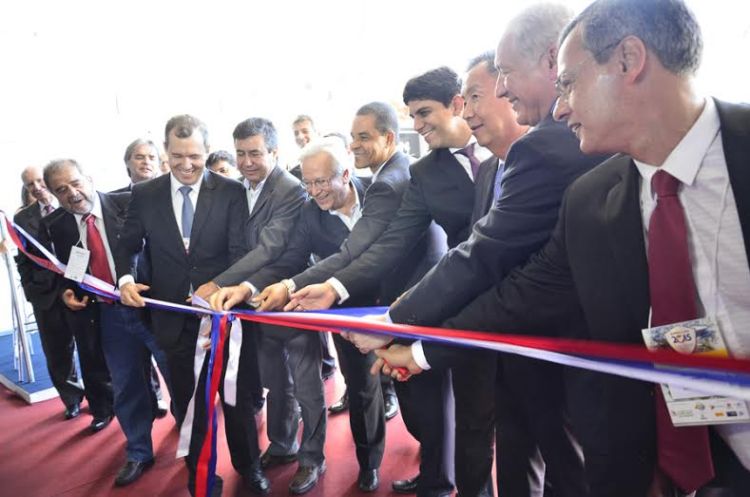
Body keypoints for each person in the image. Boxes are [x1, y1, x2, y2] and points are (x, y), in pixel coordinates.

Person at [379, 0, 750, 496]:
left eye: (569, 84)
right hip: (671, 461)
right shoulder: (592, 199)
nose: (558, 109)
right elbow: (522, 296)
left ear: (629, 60)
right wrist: (420, 350)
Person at [290, 66, 491, 497]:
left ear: (458, 104)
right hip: (450, 305)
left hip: (509, 305)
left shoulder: (502, 151)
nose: (416, 125)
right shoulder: (425, 173)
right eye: (411, 116)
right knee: (465, 419)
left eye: (423, 113)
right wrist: (335, 288)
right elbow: (390, 243)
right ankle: (443, 479)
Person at [115, 115, 267, 496]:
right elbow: (127, 245)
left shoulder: (231, 191)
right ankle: (201, 474)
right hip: (172, 320)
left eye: (195, 156)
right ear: (165, 152)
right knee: (188, 405)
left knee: (236, 399)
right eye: (178, 156)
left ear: (207, 150)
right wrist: (125, 279)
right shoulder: (146, 194)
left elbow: (240, 252)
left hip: (224, 318)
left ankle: (250, 468)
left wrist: (219, 291)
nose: (187, 165)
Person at [40, 159, 171, 487]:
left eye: (75, 183)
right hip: (109, 316)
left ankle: (195, 446)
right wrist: (68, 291)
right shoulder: (59, 225)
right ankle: (139, 451)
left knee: (179, 380)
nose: (72, 193)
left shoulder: (129, 204)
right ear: (53, 194)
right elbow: (71, 270)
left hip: (153, 308)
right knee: (126, 387)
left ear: (88, 178)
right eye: (61, 190)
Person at [13, 166, 100, 422]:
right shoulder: (23, 218)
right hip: (45, 296)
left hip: (80, 291)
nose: (37, 187)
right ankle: (72, 399)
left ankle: (100, 403)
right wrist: (30, 290)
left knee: (91, 350)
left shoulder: (74, 205)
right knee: (57, 352)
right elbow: (23, 259)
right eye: (30, 184)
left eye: (40, 181)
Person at [111, 138, 169, 419]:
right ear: (127, 163)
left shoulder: (173, 197)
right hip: (129, 294)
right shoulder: (111, 202)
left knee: (172, 364)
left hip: (167, 295)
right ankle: (154, 397)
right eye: (139, 156)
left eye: (151, 157)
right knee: (135, 364)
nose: (146, 161)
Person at [289, 115, 321, 180]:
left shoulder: (330, 162)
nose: (300, 137)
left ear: (317, 133)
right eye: (296, 133)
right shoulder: (293, 174)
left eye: (305, 131)